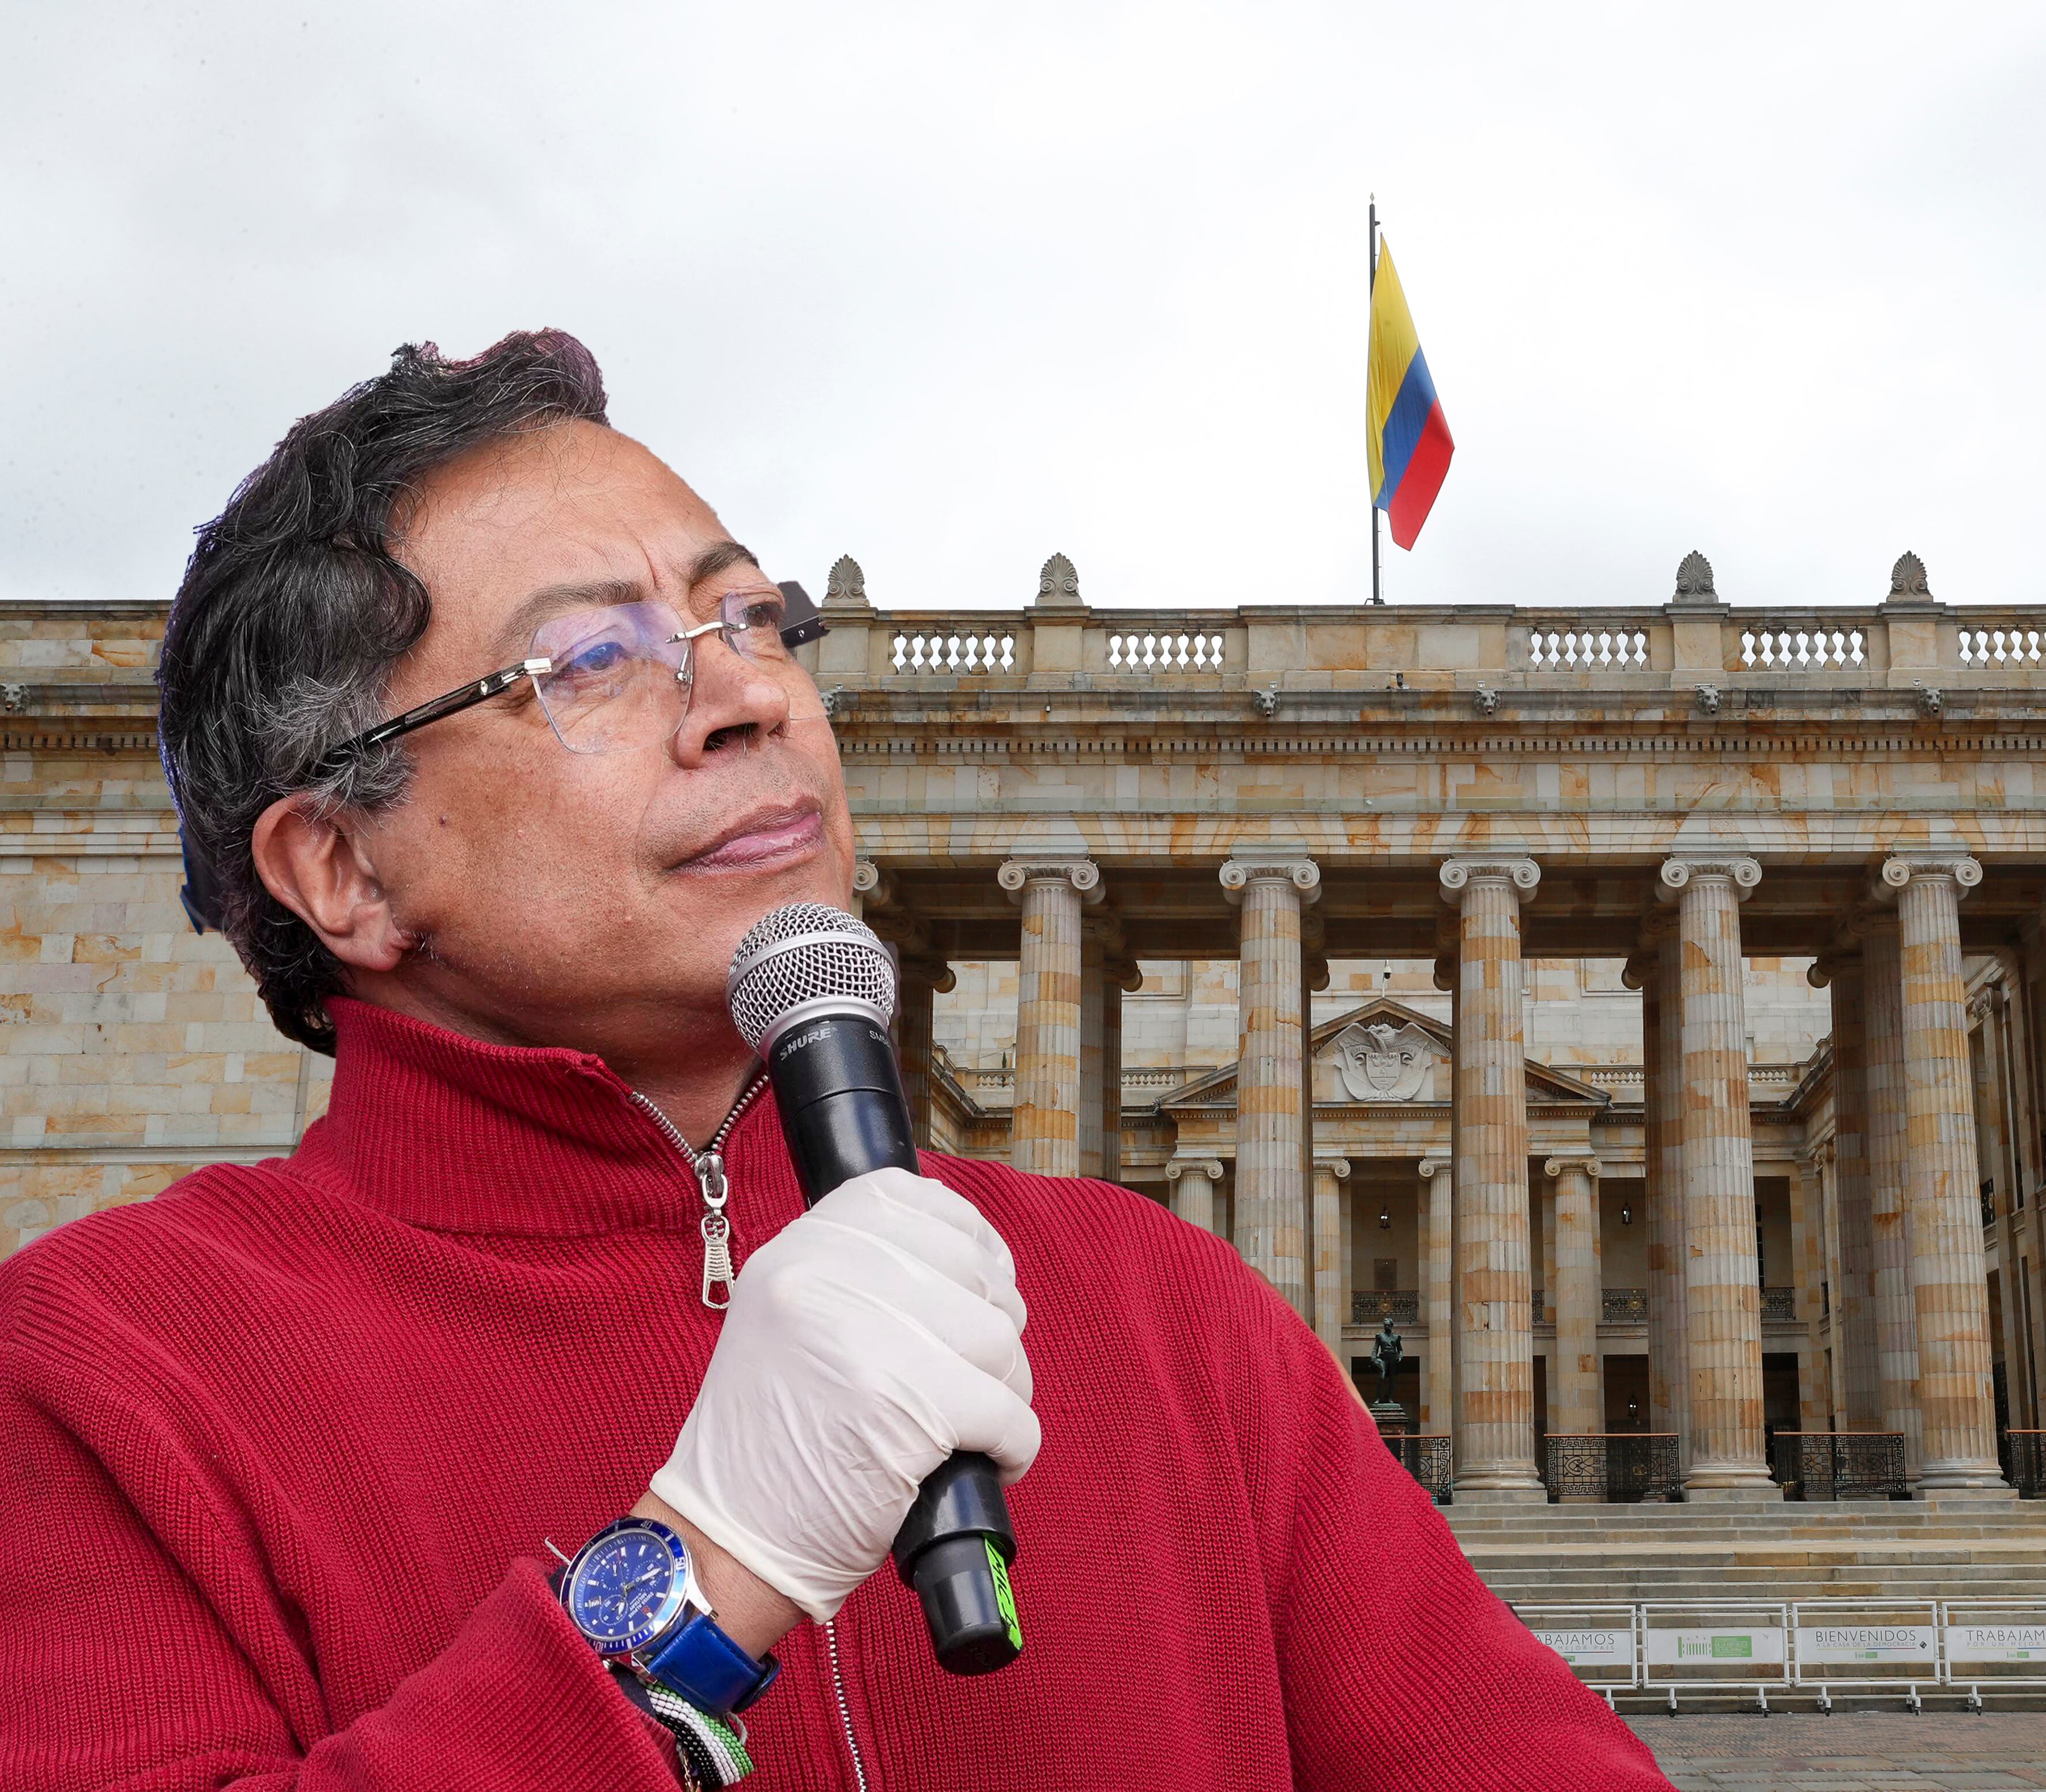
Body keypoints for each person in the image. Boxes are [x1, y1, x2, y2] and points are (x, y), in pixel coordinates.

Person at [0, 332, 1669, 1791]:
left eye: (749, 617)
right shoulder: (105, 1381)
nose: (743, 694)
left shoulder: (1164, 1312)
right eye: (591, 657)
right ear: (346, 870)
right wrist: (694, 1580)